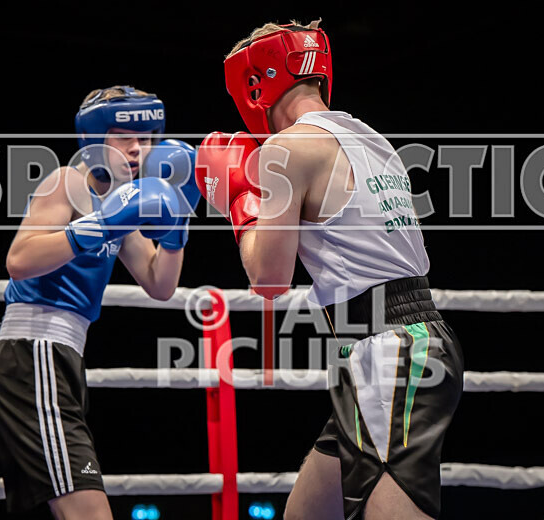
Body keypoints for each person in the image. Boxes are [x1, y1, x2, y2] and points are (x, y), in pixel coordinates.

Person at [195, 21, 464, 520]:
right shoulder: (371, 139)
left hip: (389, 350)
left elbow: (269, 280)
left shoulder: (287, 150)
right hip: (397, 342)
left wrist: (236, 196)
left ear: (253, 85)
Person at [0, 86, 200, 519]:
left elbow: (160, 285)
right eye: (124, 137)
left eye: (148, 137)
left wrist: (178, 226)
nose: (139, 149)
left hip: (61, 360)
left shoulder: (122, 202)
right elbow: (19, 260)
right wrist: (99, 225)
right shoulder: (67, 182)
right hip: (33, 353)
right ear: (95, 140)